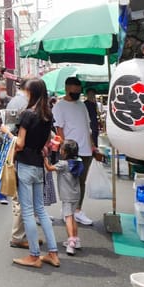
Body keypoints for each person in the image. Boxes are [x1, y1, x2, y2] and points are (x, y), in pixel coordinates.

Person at [0, 78, 60, 269]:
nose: (24, 93)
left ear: (31, 93)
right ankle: (52, 253)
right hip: (38, 167)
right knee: (40, 210)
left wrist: (8, 133)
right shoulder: (48, 115)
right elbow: (45, 144)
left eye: (26, 90)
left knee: (27, 211)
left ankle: (34, 255)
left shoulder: (27, 114)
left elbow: (20, 144)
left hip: (25, 164)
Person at [52, 77, 104, 225]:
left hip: (86, 150)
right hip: (70, 151)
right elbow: (59, 130)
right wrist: (64, 148)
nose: (76, 93)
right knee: (69, 183)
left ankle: (77, 210)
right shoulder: (59, 106)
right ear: (67, 88)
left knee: (81, 182)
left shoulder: (82, 106)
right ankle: (67, 210)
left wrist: (93, 147)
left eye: (78, 90)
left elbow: (87, 128)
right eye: (74, 90)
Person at [45, 139, 85, 255]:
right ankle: (76, 240)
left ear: (65, 152)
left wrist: (45, 158)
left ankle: (71, 242)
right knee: (72, 217)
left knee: (67, 218)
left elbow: (49, 168)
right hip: (76, 194)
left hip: (67, 196)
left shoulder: (63, 164)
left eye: (61, 149)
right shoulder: (78, 162)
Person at [3, 81, 29, 248]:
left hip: (17, 152)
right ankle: (18, 236)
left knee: (20, 198)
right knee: (20, 198)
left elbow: (7, 128)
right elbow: (12, 132)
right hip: (20, 153)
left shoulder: (17, 102)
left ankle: (22, 234)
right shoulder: (23, 103)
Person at [84, 87, 103, 154]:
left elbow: (96, 114)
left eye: (93, 94)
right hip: (89, 125)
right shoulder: (85, 104)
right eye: (91, 94)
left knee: (95, 138)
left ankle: (94, 151)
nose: (92, 95)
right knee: (90, 139)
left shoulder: (94, 104)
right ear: (87, 94)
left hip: (94, 124)